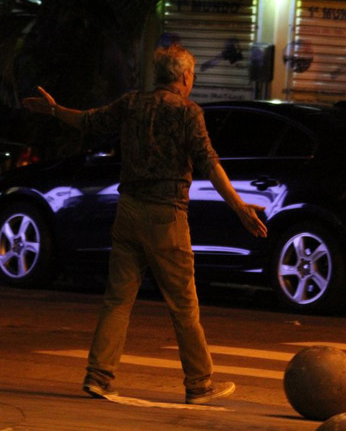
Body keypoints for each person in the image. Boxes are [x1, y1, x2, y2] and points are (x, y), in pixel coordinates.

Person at [22, 43, 268, 404]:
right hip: (166, 216)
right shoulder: (188, 112)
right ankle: (199, 383)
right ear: (184, 76)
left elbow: (89, 121)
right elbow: (209, 163)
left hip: (128, 212)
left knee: (118, 300)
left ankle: (98, 376)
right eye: (193, 75)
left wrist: (55, 110)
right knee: (183, 305)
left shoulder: (132, 103)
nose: (192, 80)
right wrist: (240, 207)